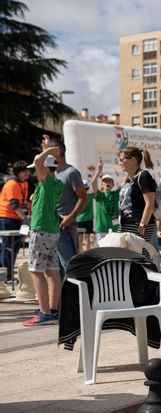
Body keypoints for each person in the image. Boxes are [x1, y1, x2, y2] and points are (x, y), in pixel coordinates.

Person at [23, 148, 63, 326]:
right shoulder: (56, 183)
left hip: (41, 230)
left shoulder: (47, 182)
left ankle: (44, 312)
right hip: (52, 231)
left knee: (36, 271)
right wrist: (46, 149)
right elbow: (41, 162)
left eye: (36, 170)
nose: (34, 172)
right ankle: (53, 311)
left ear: (45, 170)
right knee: (52, 271)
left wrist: (51, 149)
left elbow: (39, 162)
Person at [44, 136, 87, 277]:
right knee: (55, 268)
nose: (46, 153)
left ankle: (73, 297)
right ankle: (61, 298)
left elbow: (83, 198)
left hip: (65, 227)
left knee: (69, 265)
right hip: (51, 225)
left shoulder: (71, 173)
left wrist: (70, 217)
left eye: (49, 150)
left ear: (57, 151)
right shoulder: (53, 172)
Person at [117, 147, 157, 244]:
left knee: (140, 257)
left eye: (122, 160)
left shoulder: (144, 176)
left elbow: (150, 204)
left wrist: (142, 225)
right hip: (126, 225)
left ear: (133, 160)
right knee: (125, 257)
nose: (120, 163)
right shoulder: (129, 179)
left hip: (139, 226)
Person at [0, 160, 30, 283]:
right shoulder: (11, 184)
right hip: (7, 218)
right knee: (8, 248)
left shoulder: (24, 183)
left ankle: (8, 275)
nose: (28, 173)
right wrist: (26, 219)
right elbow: (14, 205)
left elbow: (23, 202)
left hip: (18, 218)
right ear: (19, 172)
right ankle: (7, 276)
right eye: (25, 171)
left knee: (16, 247)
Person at [90, 162, 120, 244]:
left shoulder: (116, 194)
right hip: (101, 229)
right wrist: (98, 172)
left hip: (114, 228)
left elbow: (126, 182)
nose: (107, 183)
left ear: (113, 184)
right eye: (105, 181)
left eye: (109, 181)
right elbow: (93, 183)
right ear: (102, 184)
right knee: (102, 251)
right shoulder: (99, 195)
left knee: (114, 249)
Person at [75, 179, 95, 251]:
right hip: (88, 221)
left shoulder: (77, 197)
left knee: (80, 239)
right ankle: (87, 256)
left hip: (79, 221)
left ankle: (80, 255)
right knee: (87, 238)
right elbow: (94, 188)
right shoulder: (89, 196)